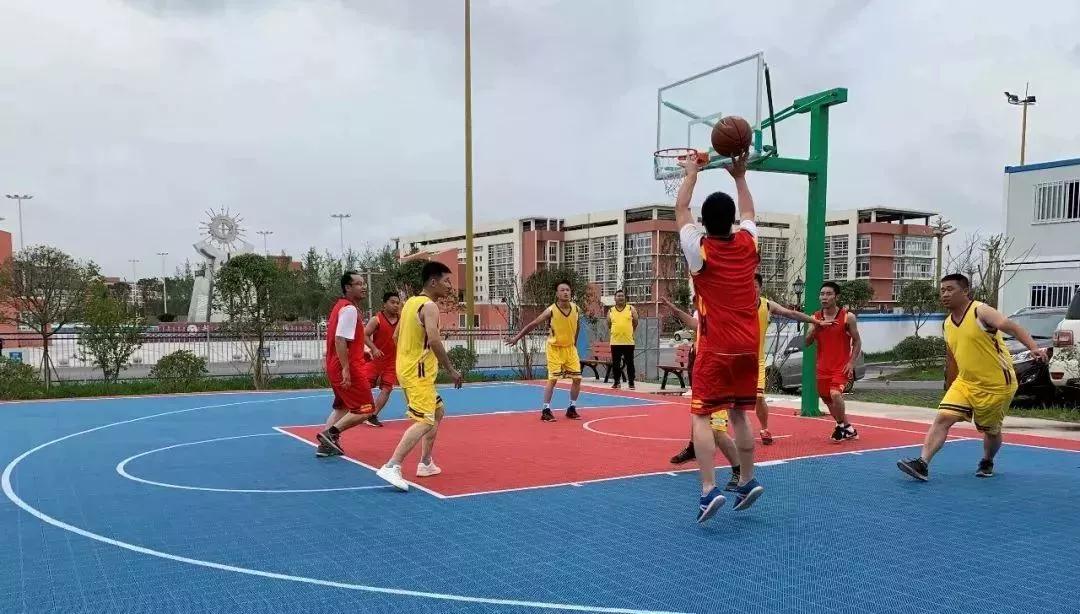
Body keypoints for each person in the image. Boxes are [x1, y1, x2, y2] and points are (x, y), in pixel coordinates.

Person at [675, 152, 765, 523]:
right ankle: (747, 479)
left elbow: (681, 209)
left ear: (704, 222)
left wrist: (691, 172)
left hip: (717, 346)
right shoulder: (748, 243)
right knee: (740, 413)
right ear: (731, 220)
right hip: (748, 345)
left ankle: (708, 489)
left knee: (701, 415)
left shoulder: (700, 249)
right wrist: (740, 176)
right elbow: (750, 212)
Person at [898, 274, 1047, 481]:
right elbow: (953, 356)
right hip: (965, 382)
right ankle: (922, 463)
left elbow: (1011, 327)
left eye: (950, 289)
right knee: (943, 417)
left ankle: (987, 460)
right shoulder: (947, 324)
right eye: (942, 290)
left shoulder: (980, 311)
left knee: (991, 431)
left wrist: (1033, 348)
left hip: (997, 384)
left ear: (965, 291)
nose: (945, 294)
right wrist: (950, 385)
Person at [375, 262, 464, 491]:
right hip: (418, 372)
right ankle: (392, 465)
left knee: (437, 411)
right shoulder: (429, 306)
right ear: (433, 282)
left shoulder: (409, 304)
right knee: (424, 420)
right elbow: (434, 339)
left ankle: (425, 463)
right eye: (446, 281)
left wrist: (408, 356)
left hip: (409, 369)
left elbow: (396, 336)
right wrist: (451, 369)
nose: (449, 286)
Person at [659, 296, 741, 491]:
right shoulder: (703, 317)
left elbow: (699, 326)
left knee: (718, 432)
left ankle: (739, 472)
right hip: (703, 378)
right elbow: (695, 325)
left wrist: (675, 310)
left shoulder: (723, 319)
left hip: (720, 383)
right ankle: (694, 449)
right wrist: (675, 310)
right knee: (699, 419)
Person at [316, 272, 383, 458]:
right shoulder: (350, 309)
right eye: (359, 284)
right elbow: (340, 339)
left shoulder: (340, 307)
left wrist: (362, 354)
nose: (364, 287)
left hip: (336, 365)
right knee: (366, 409)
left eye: (364, 283)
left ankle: (325, 446)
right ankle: (330, 434)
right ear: (347, 287)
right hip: (347, 368)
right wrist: (346, 368)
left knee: (342, 408)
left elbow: (342, 340)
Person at [507, 281, 583, 422]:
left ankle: (571, 408)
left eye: (567, 290)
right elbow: (534, 324)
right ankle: (546, 410)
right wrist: (517, 338)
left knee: (577, 379)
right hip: (554, 348)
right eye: (562, 290)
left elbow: (577, 326)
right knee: (553, 379)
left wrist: (575, 343)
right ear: (557, 294)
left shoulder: (576, 309)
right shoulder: (551, 310)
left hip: (570, 348)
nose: (565, 292)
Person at [806, 281, 863, 443]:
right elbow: (807, 342)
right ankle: (847, 428)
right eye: (822, 294)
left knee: (835, 394)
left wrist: (851, 363)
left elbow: (857, 341)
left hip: (841, 367)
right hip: (822, 367)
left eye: (828, 294)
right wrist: (816, 327)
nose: (824, 297)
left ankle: (840, 426)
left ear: (836, 297)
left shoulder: (847, 317)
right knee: (827, 399)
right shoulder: (815, 317)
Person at [361, 292, 403, 428]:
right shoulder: (376, 319)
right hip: (376, 360)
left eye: (398, 303)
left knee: (387, 389)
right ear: (384, 304)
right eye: (392, 302)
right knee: (364, 387)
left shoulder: (402, 320)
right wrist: (373, 349)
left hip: (392, 362)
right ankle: (360, 411)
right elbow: (365, 335)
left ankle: (372, 415)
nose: (396, 305)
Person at [608, 289, 638, 390]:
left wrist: (630, 331)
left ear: (625, 298)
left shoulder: (631, 309)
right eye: (618, 296)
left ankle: (631, 382)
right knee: (615, 364)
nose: (620, 297)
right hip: (615, 342)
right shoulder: (611, 310)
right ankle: (616, 382)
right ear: (615, 298)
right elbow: (609, 324)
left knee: (630, 363)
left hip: (628, 342)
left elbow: (635, 322)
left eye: (622, 296)